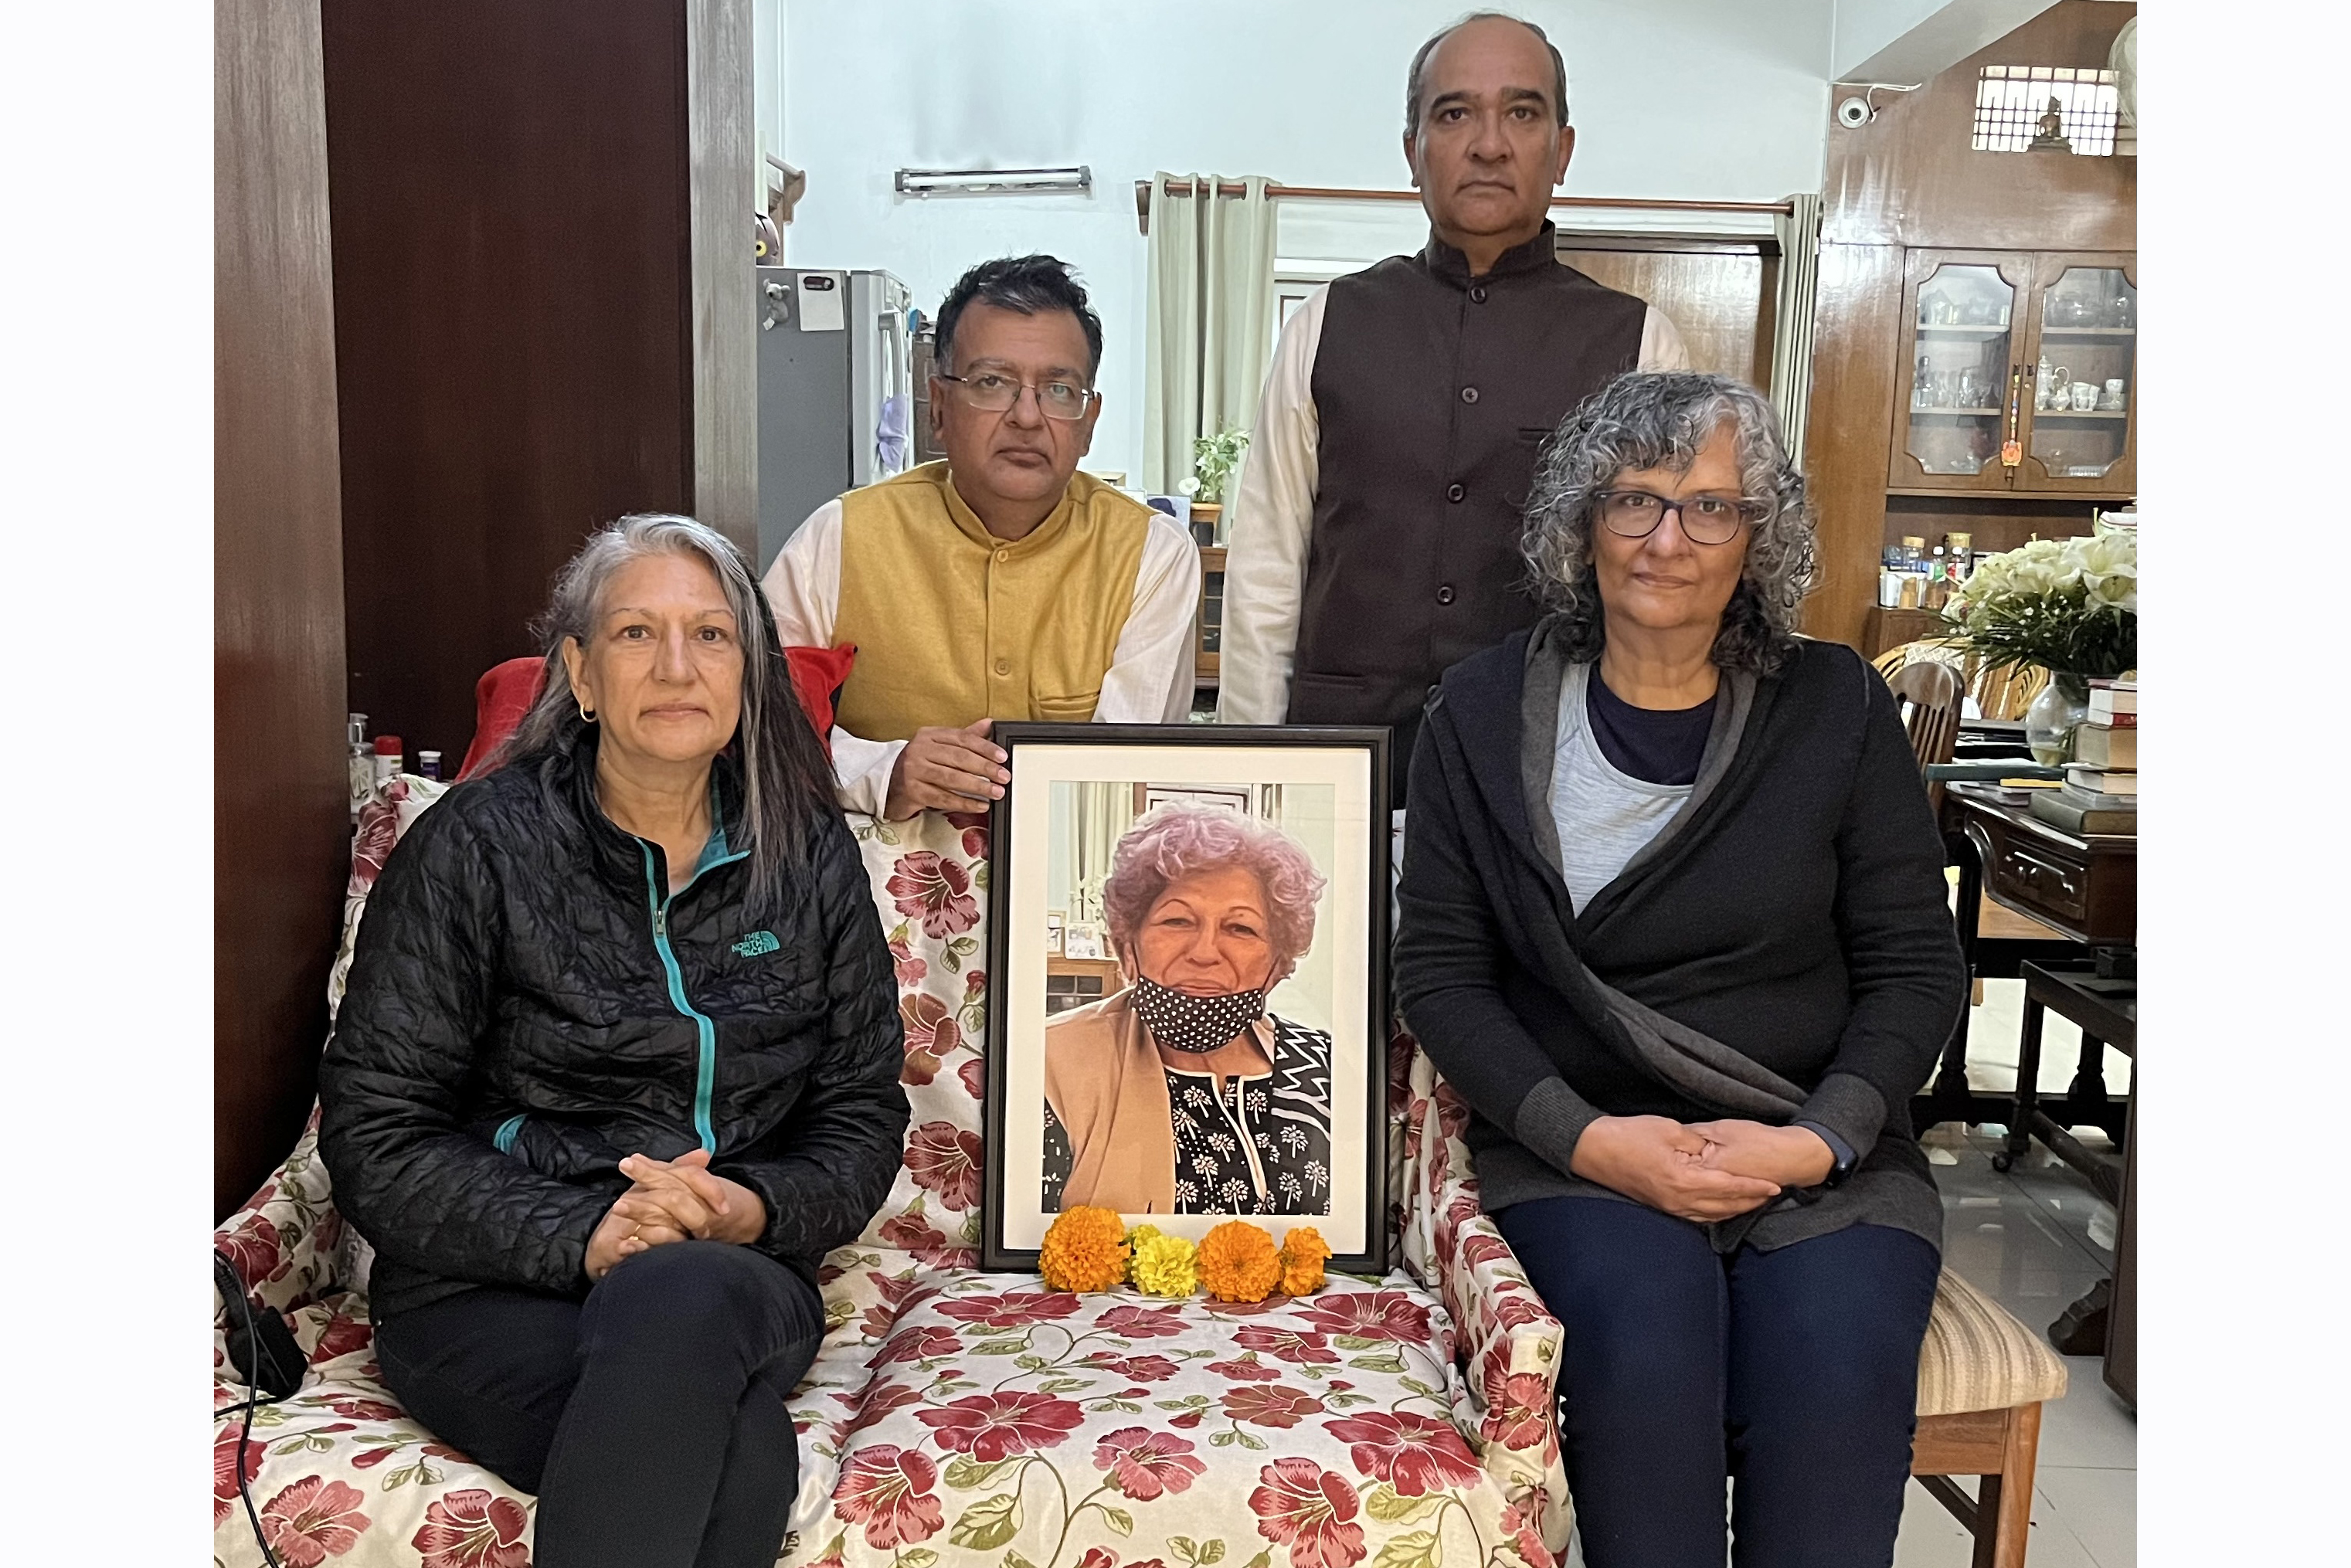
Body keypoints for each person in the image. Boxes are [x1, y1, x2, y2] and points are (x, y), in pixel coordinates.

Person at [1392, 372, 1967, 1568]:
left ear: (1759, 535)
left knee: (1834, 1365)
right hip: (1581, 1147)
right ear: (1578, 520)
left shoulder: (1835, 707)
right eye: (1634, 501)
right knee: (1642, 1356)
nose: (1667, 539)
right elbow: (1442, 975)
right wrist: (1591, 1138)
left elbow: (1914, 968)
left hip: (1817, 1143)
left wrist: (1818, 1140)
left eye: (1710, 508)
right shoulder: (1478, 712)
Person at [319, 514, 909, 1568]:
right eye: (637, 634)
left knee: (681, 1293)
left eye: (711, 636)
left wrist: (749, 1205)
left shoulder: (807, 851)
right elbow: (378, 1130)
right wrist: (584, 1234)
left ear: (749, 673)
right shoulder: (471, 847)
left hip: (729, 1270)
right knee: (738, 1455)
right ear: (580, 675)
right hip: (483, 1284)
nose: (677, 666)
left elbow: (860, 1111)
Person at [1217, 12, 1690, 804]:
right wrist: (1249, 767)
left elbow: (1663, 584)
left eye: (1522, 112)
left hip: (1546, 769)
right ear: (1413, 151)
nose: (1489, 143)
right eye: (1455, 112)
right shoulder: (1326, 323)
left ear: (1561, 149)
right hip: (1336, 757)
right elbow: (1268, 563)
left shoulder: (1640, 345)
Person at [766, 254, 1201, 820]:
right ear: (939, 408)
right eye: (992, 383)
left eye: (1059, 390)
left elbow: (1124, 773)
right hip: (861, 892)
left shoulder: (1152, 555)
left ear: (1089, 422)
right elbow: (763, 724)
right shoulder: (839, 537)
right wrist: (885, 769)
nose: (1026, 416)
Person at [1043, 803, 1331, 1216]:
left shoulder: (1325, 1066)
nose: (1204, 953)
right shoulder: (1051, 1064)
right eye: (1177, 921)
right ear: (1127, 948)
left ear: (1279, 965)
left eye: (1240, 928)